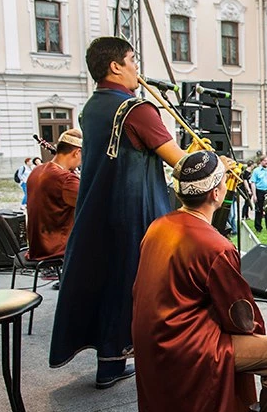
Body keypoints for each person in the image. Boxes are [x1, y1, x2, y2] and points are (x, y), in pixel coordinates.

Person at [132, 151, 267, 412]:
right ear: (217, 193)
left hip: (152, 341)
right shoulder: (215, 246)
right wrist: (257, 335)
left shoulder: (158, 226)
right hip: (187, 348)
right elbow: (240, 316)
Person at [49, 36, 185, 388]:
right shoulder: (135, 110)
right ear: (115, 66)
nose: (137, 69)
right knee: (144, 285)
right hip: (135, 213)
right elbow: (180, 162)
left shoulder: (91, 107)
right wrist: (216, 164)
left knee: (113, 283)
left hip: (100, 209)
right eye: (133, 61)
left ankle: (109, 363)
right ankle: (163, 357)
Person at [25, 129, 82, 261]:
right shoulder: (65, 179)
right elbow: (91, 204)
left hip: (37, 245)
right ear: (77, 152)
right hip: (57, 247)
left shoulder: (37, 170)